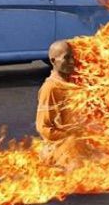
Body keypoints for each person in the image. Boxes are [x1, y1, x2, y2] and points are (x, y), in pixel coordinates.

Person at [36, 40, 96, 170]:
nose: (72, 62)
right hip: (62, 151)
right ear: (53, 61)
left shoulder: (72, 83)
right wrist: (70, 137)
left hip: (78, 145)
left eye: (72, 57)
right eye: (66, 58)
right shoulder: (51, 88)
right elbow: (44, 128)